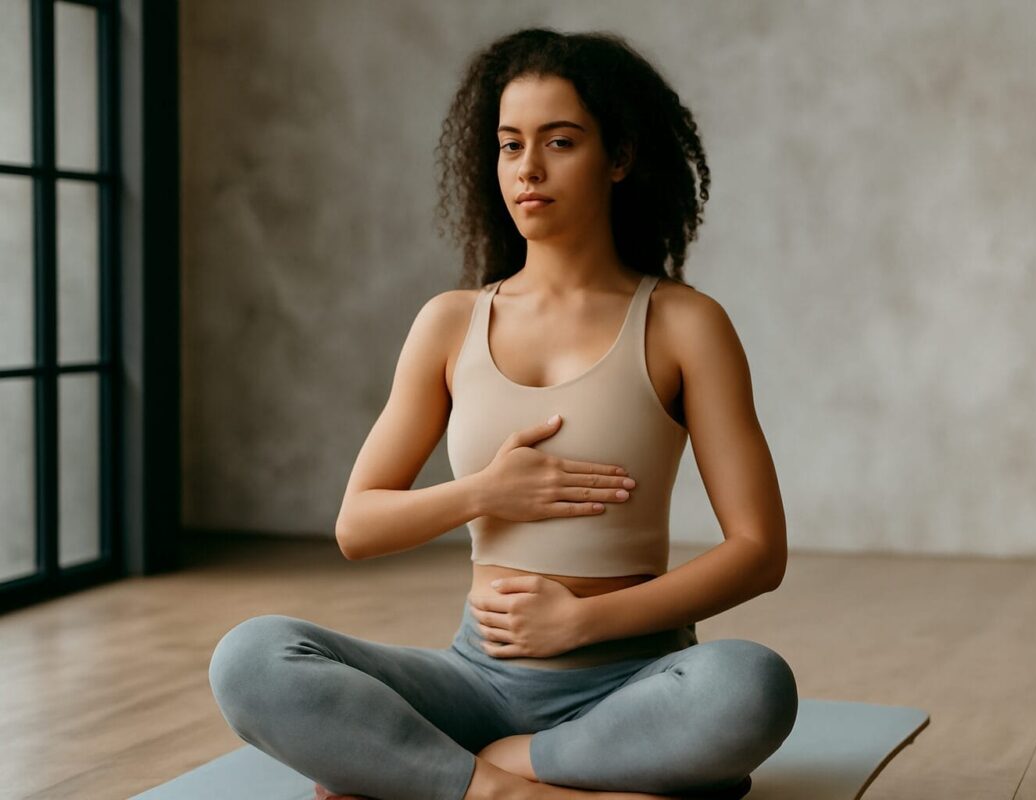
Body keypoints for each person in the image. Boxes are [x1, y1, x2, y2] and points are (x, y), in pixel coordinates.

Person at [208, 26, 796, 800]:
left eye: (559, 142)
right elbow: (359, 525)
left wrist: (583, 625)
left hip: (634, 681)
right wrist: (486, 492)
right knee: (248, 658)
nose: (529, 169)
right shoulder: (449, 323)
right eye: (510, 144)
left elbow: (759, 550)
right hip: (474, 684)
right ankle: (506, 788)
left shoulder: (685, 324)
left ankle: (466, 769)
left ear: (618, 158)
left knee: (753, 685)